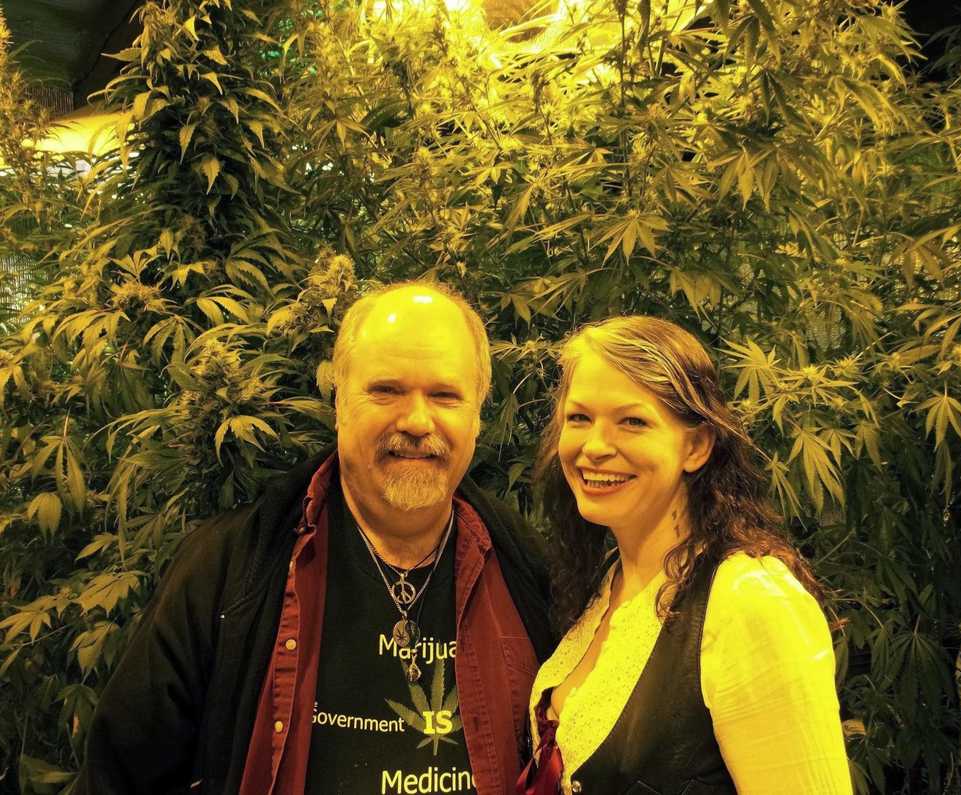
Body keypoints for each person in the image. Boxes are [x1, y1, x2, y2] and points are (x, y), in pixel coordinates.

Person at [74, 282, 553, 795]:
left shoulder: (526, 571)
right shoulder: (231, 570)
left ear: (477, 414)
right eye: (386, 390)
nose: (417, 420)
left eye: (444, 395)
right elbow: (118, 776)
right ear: (339, 401)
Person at [518, 316, 851, 794]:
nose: (594, 447)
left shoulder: (749, 600)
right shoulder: (606, 582)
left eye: (632, 421)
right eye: (579, 418)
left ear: (695, 446)